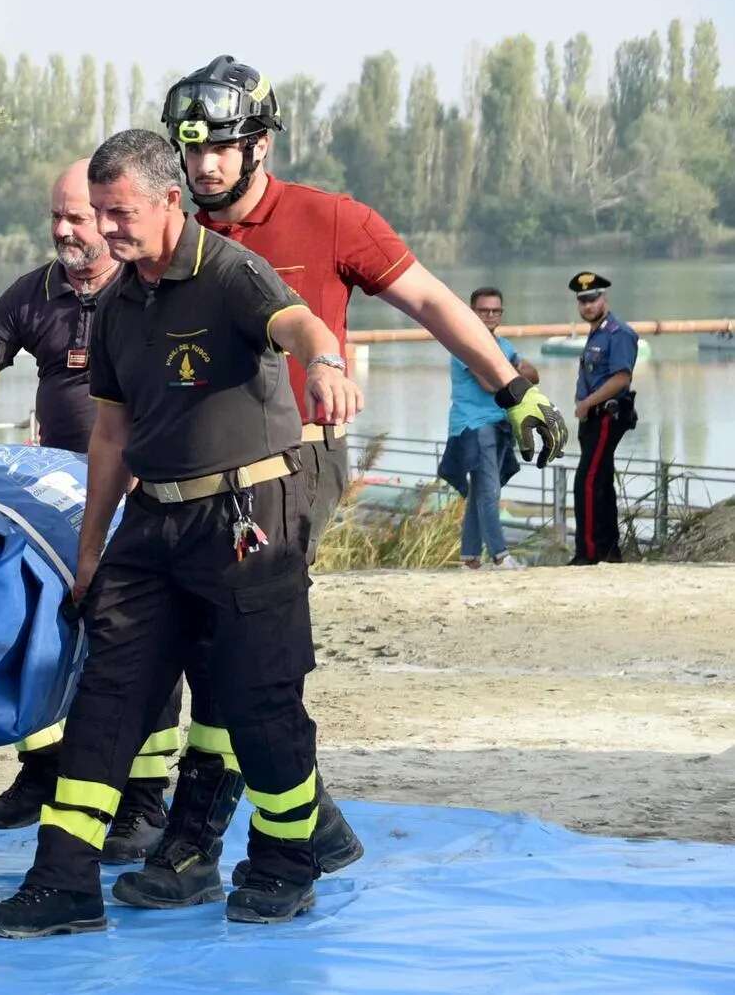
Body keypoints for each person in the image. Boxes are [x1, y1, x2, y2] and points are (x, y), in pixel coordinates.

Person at [111, 55, 571, 912]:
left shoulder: (330, 220)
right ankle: (293, 823)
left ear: (261, 146)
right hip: (186, 480)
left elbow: (432, 302)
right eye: (192, 149)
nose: (206, 165)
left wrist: (513, 387)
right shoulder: (171, 236)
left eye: (224, 147)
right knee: (198, 651)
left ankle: (210, 841)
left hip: (292, 468)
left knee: (232, 658)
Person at [0, 129, 363, 938]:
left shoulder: (229, 272)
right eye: (100, 214)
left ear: (168, 203)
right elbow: (109, 439)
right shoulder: (118, 304)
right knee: (107, 697)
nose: (107, 229)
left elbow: (298, 326)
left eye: (121, 214)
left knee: (259, 704)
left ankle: (287, 863)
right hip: (151, 524)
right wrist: (90, 557)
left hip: (247, 518)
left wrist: (326, 363)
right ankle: (63, 883)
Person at [0, 159, 184, 864]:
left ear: (113, 217)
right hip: (55, 503)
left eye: (77, 216)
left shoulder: (149, 292)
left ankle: (144, 801)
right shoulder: (31, 295)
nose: (63, 230)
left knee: (142, 645)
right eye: (56, 216)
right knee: (40, 631)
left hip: (139, 497)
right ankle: (41, 769)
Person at [441, 288, 538, 569]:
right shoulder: (465, 344)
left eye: (496, 310)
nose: (491, 315)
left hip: (499, 424)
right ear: (472, 312)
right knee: (489, 491)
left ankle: (469, 556)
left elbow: (533, 373)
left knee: (480, 490)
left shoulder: (504, 345)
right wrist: (514, 374)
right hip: (474, 425)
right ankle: (500, 555)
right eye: (484, 310)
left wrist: (510, 373)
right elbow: (489, 384)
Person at [568, 271, 639, 565]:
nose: (587, 305)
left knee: (586, 481)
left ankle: (587, 552)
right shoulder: (597, 333)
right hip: (592, 418)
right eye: (582, 300)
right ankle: (609, 552)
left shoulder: (618, 333)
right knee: (602, 482)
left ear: (604, 298)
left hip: (606, 415)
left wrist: (586, 403)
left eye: (593, 299)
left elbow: (621, 378)